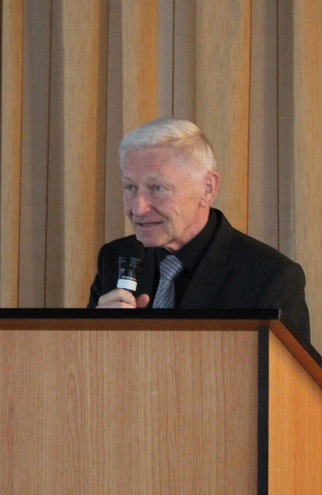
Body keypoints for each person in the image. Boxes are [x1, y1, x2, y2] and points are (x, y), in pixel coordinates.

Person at [87, 117, 310, 340]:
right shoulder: (115, 257)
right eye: (130, 187)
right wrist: (97, 334)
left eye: (157, 188)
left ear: (207, 189)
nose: (138, 208)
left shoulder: (271, 278)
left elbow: (278, 365)